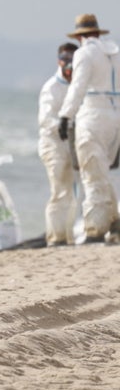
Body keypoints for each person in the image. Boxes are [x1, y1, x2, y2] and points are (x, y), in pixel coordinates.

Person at [55, 14, 120, 243]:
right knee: (103, 172)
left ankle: (95, 229)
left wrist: (65, 115)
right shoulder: (115, 52)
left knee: (92, 174)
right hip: (115, 115)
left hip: (92, 114)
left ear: (80, 36)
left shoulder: (85, 53)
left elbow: (78, 87)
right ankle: (114, 221)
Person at [38, 43, 79, 245]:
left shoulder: (78, 85)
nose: (68, 62)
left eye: (72, 58)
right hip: (52, 144)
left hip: (70, 144)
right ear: (59, 61)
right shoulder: (51, 87)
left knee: (72, 191)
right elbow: (45, 119)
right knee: (59, 190)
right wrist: (64, 124)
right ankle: (55, 237)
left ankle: (67, 235)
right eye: (65, 58)